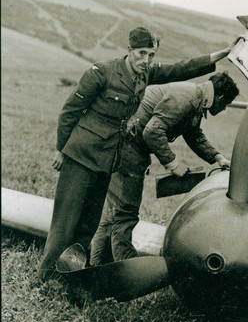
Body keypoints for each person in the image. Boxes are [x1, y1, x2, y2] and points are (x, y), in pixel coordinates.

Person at [38, 26, 232, 280]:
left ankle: (70, 273)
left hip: (108, 159)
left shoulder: (145, 74)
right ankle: (47, 276)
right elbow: (70, 111)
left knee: (89, 223)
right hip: (81, 155)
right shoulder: (102, 72)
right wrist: (61, 149)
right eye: (141, 53)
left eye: (151, 55)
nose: (146, 60)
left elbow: (180, 69)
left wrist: (220, 54)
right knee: (66, 221)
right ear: (130, 50)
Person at [89, 71, 239, 265]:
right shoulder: (188, 98)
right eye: (226, 104)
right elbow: (152, 131)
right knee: (125, 212)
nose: (224, 108)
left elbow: (193, 133)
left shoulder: (196, 97)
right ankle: (124, 265)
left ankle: (97, 263)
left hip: (124, 144)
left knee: (114, 211)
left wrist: (217, 157)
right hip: (127, 147)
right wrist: (173, 164)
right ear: (220, 97)